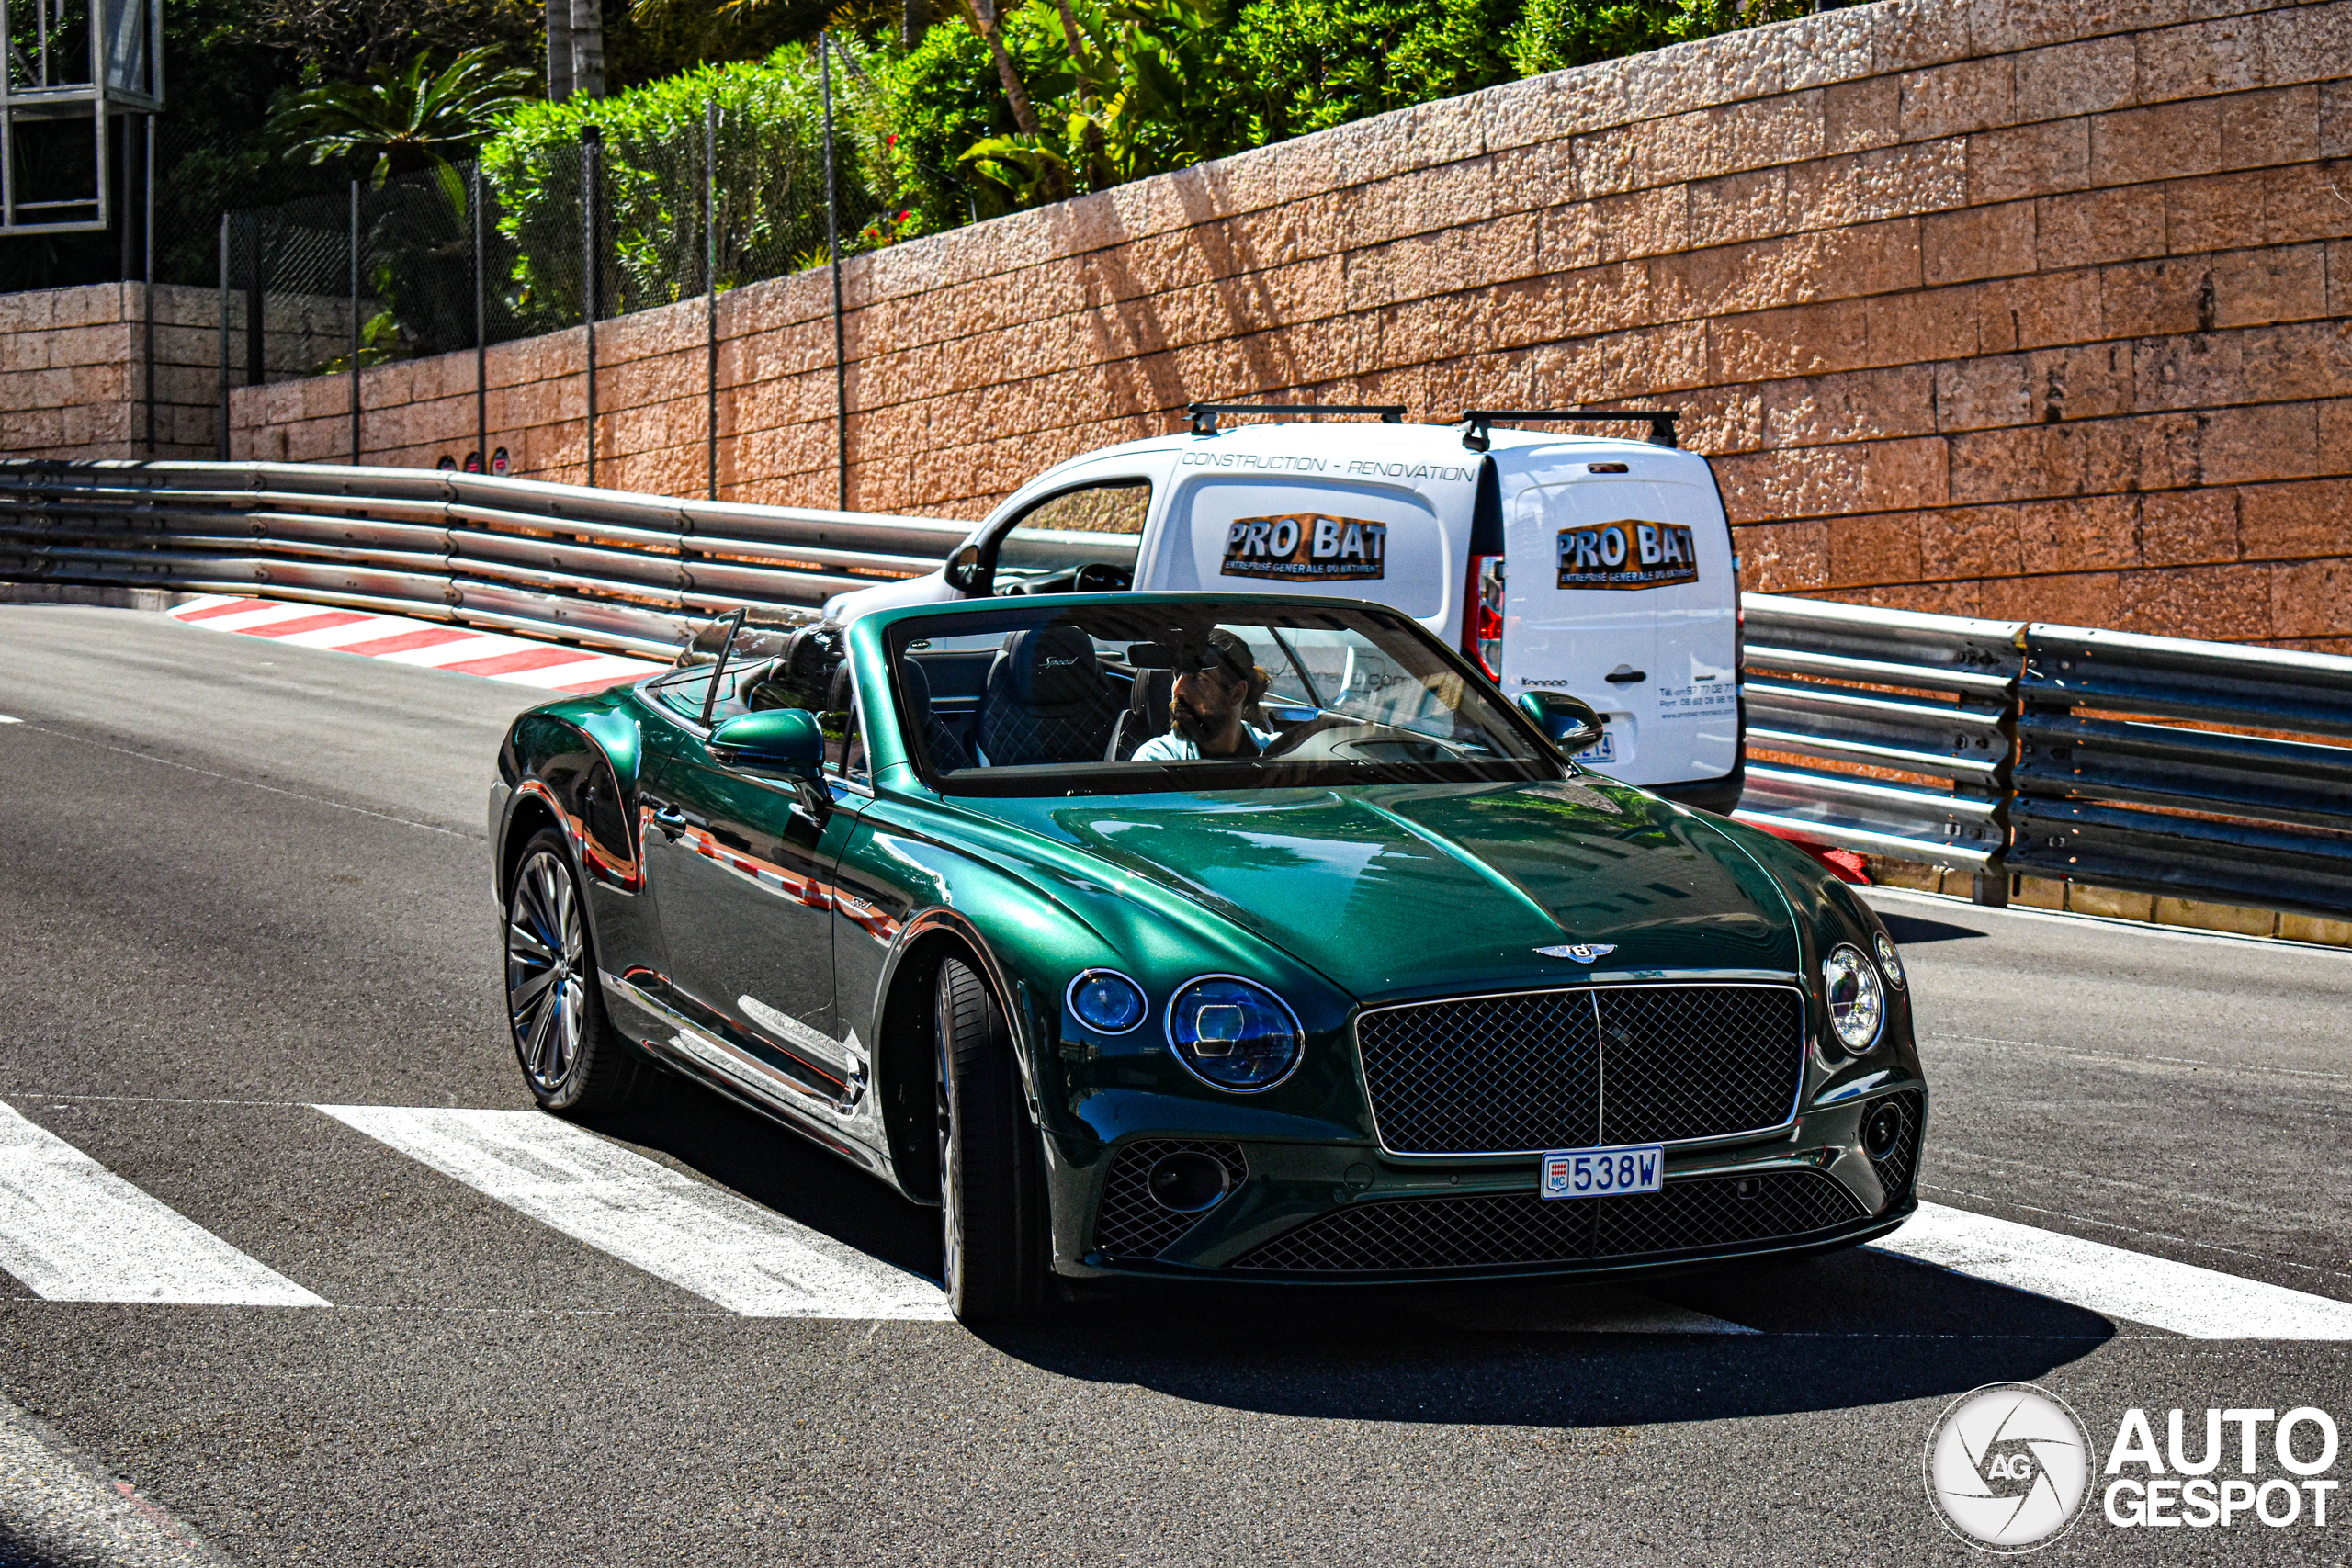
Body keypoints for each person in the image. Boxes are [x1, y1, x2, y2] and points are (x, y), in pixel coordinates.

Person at [1133, 628, 1277, 761]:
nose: (1178, 689)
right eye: (1177, 675)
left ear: (1237, 694)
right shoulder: (1157, 760)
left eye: (1198, 678)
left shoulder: (1279, 753)